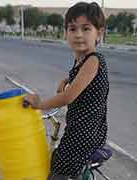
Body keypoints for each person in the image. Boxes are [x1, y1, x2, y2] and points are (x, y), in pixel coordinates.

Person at [24, 2, 109, 180]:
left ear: (99, 34)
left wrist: (39, 105)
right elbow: (83, 81)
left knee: (58, 170)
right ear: (65, 33)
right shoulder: (82, 61)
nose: (78, 35)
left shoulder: (93, 60)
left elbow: (69, 96)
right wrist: (68, 79)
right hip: (86, 130)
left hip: (85, 134)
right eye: (72, 28)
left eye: (86, 29)